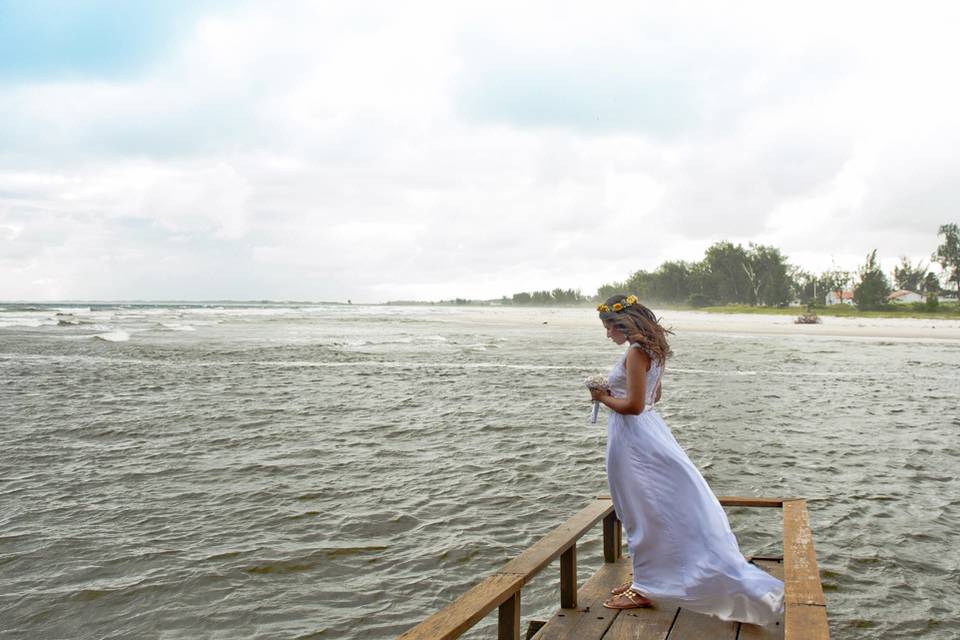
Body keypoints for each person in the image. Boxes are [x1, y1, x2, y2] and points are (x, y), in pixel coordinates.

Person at [588, 294, 784, 625]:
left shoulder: (636, 353)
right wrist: (617, 392)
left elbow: (634, 406)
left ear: (623, 323)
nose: (607, 334)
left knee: (643, 512)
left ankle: (646, 586)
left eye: (609, 327)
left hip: (633, 439)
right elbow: (654, 396)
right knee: (647, 510)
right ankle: (647, 581)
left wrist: (602, 396)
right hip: (649, 432)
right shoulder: (654, 350)